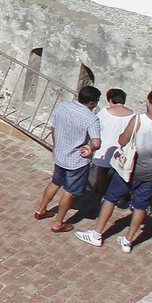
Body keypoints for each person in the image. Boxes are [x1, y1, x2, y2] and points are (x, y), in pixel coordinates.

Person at [79, 90, 152, 253]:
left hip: (131, 169)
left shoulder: (138, 119)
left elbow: (122, 140)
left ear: (149, 101)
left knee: (110, 198)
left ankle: (97, 234)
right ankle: (128, 241)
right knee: (140, 206)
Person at [35, 85, 102, 233]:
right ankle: (58, 223)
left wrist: (56, 144)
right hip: (76, 161)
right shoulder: (91, 118)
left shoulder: (63, 106)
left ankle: (41, 210)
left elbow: (53, 128)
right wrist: (90, 148)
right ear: (91, 103)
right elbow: (96, 143)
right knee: (69, 191)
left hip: (60, 155)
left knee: (55, 182)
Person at [91, 89, 135, 203]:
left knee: (102, 172)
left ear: (110, 100)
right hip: (122, 150)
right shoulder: (133, 115)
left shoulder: (104, 113)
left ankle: (101, 195)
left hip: (105, 148)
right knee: (118, 174)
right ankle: (115, 196)